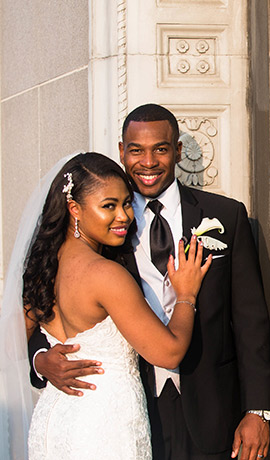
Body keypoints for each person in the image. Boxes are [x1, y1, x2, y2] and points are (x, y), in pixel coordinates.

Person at [28, 104, 270, 460]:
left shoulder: (226, 215)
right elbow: (46, 301)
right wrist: (40, 358)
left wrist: (258, 410)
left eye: (160, 149)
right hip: (129, 410)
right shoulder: (102, 231)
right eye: (136, 150)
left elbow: (253, 323)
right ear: (121, 152)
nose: (148, 162)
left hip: (213, 409)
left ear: (177, 151)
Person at [10, 152, 210, 459]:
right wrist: (186, 295)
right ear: (74, 208)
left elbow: (12, 343)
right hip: (104, 428)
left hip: (54, 422)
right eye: (109, 206)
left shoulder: (41, 268)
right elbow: (168, 352)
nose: (124, 216)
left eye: (127, 203)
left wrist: (39, 361)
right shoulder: (105, 274)